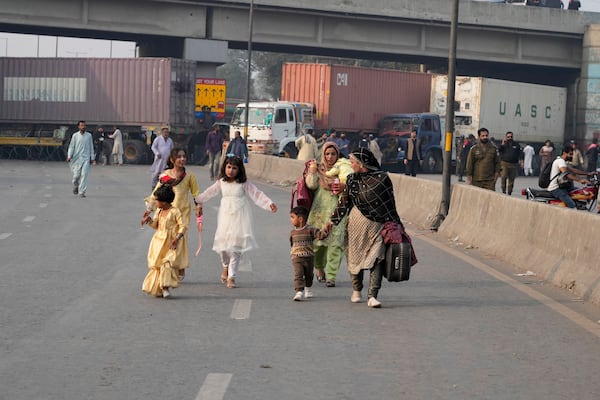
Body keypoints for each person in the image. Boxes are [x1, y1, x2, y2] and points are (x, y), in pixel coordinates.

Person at [327, 148, 403, 309]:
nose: (351, 165)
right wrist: (331, 222)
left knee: (377, 259)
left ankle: (372, 296)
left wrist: (397, 224)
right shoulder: (351, 180)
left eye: (353, 162)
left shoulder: (383, 179)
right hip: (355, 228)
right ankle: (356, 290)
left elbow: (390, 203)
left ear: (362, 164)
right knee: (354, 260)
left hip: (377, 228)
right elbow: (344, 203)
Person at [195, 155, 278, 289]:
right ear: (224, 168)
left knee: (235, 247)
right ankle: (225, 266)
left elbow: (257, 194)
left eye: (234, 168)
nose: (231, 170)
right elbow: (210, 192)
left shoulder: (243, 183)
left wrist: (269, 204)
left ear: (239, 170)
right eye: (229, 167)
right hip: (225, 217)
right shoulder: (221, 182)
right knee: (223, 248)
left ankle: (232, 276)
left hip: (240, 217)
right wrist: (199, 200)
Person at [144, 148, 200, 281]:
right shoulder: (165, 176)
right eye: (179, 157)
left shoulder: (189, 176)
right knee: (166, 240)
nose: (182, 159)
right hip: (166, 212)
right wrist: (149, 209)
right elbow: (156, 193)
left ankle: (180, 267)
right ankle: (165, 268)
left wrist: (199, 206)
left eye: (184, 156)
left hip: (182, 213)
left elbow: (196, 193)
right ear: (172, 160)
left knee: (180, 240)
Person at [305, 142, 353, 287]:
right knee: (318, 245)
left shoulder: (344, 170)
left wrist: (344, 187)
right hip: (319, 212)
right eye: (327, 154)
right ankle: (319, 268)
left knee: (335, 245)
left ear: (338, 155)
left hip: (339, 211)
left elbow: (353, 187)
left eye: (333, 154)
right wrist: (312, 172)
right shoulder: (319, 169)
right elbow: (311, 185)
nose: (330, 157)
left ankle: (331, 276)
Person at [141, 185, 184, 298]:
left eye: (157, 200)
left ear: (164, 202)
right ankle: (158, 287)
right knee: (158, 265)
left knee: (167, 263)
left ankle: (165, 287)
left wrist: (177, 239)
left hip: (171, 242)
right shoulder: (159, 211)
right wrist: (149, 220)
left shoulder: (175, 211)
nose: (155, 202)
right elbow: (156, 225)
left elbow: (183, 227)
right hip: (158, 242)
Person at [289, 206, 329, 301]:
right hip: (297, 258)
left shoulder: (310, 229)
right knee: (298, 274)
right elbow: (292, 244)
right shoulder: (293, 232)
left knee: (309, 275)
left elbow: (320, 236)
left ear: (300, 219)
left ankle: (308, 288)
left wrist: (326, 229)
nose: (291, 220)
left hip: (309, 257)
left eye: (292, 217)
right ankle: (299, 291)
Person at [548, 144, 590, 208]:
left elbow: (574, 170)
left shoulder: (561, 161)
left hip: (562, 187)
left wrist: (588, 173)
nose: (572, 156)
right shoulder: (560, 161)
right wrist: (580, 180)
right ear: (564, 153)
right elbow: (566, 174)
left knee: (580, 191)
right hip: (556, 188)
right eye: (570, 154)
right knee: (571, 205)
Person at [67, 120, 95, 198]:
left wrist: (92, 158)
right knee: (76, 176)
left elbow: (91, 147)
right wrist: (69, 156)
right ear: (78, 127)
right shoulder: (75, 136)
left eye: (84, 125)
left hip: (86, 158)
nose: (83, 127)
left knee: (84, 174)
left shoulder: (89, 136)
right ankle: (76, 185)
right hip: (77, 159)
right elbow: (72, 146)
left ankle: (82, 192)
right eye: (81, 125)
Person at [498, 131, 522, 195]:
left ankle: (509, 192)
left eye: (511, 136)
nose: (510, 138)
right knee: (503, 177)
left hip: (513, 164)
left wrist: (521, 161)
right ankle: (503, 190)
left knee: (511, 179)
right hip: (504, 163)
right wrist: (502, 144)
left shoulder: (516, 144)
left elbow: (520, 153)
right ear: (506, 137)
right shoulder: (504, 144)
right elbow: (499, 150)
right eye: (508, 137)